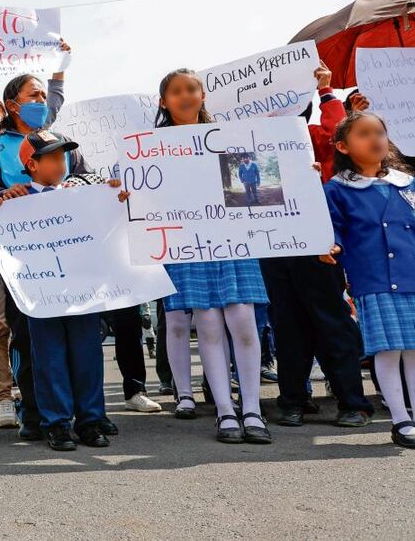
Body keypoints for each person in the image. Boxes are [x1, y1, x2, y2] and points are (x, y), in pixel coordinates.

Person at [0, 130, 127, 450]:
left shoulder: (82, 194)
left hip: (82, 291)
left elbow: (108, 220)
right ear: (31, 164)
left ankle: (90, 421)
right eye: (51, 156)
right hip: (42, 295)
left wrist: (113, 198)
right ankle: (57, 424)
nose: (60, 161)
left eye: (62, 155)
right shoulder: (15, 202)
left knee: (87, 354)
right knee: (48, 357)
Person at [153, 68, 271, 445]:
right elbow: (144, 192)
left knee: (244, 322)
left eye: (191, 89)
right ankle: (224, 411)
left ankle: (251, 407)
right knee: (206, 325)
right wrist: (126, 192)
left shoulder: (229, 139)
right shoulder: (149, 146)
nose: (185, 96)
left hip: (234, 241)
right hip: (189, 244)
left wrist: (295, 175)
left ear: (202, 95)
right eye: (176, 91)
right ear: (163, 101)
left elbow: (254, 187)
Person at [0, 45, 82, 437]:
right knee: (21, 327)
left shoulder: (55, 138)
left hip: (60, 247)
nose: (40, 102)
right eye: (32, 96)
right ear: (12, 105)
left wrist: (61, 63)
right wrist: (1, 197)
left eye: (41, 96)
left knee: (62, 326)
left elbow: (85, 178)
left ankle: (77, 409)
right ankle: (31, 410)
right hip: (14, 250)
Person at [262, 64, 374, 428]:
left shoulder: (314, 136)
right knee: (288, 323)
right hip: (274, 244)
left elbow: (333, 132)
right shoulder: (249, 142)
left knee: (331, 321)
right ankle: (293, 399)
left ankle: (352, 402)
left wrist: (327, 92)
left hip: (317, 244)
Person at [321, 111, 415, 449]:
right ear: (344, 146)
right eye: (364, 133)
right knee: (388, 351)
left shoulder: (407, 183)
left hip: (411, 276)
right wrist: (331, 243)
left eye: (380, 132)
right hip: (374, 280)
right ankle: (401, 421)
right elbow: (334, 226)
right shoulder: (339, 189)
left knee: (414, 351)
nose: (375, 139)